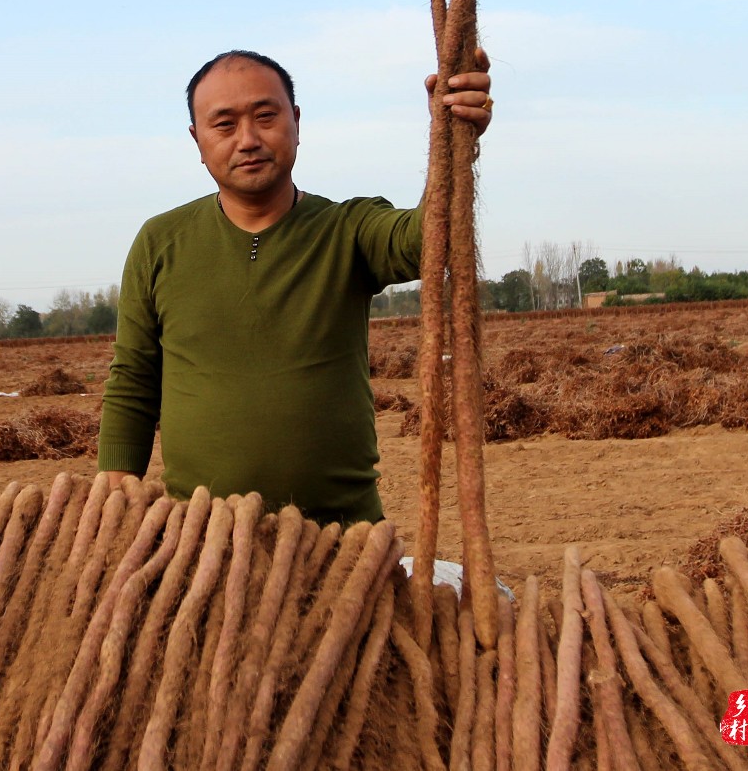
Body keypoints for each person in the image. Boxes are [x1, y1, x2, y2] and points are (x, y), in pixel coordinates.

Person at [95, 49, 493, 525]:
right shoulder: (161, 243)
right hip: (202, 537)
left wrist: (452, 138)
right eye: (224, 125)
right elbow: (133, 383)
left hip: (343, 537)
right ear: (197, 141)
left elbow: (433, 239)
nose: (248, 139)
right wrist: (116, 510)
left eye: (265, 116)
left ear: (296, 122)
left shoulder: (347, 229)